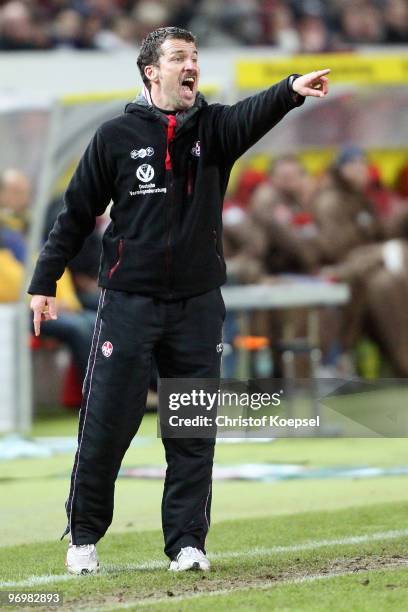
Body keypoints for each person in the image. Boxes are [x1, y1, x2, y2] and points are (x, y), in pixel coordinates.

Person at [28, 26, 330, 575]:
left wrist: (288, 88)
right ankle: (84, 537)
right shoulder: (115, 136)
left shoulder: (213, 130)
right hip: (128, 303)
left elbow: (251, 114)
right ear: (152, 71)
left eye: (195, 57)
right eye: (178, 58)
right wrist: (45, 282)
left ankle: (188, 544)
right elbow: (74, 215)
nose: (191, 65)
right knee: (106, 426)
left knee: (191, 430)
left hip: (196, 306)